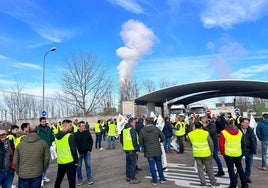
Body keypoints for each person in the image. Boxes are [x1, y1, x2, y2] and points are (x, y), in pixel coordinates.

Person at [188, 121, 220, 188]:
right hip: (206, 153)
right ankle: (213, 183)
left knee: (200, 169)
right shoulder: (205, 133)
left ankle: (203, 183)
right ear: (201, 126)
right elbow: (211, 143)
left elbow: (191, 144)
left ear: (194, 127)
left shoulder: (190, 134)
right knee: (209, 169)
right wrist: (212, 151)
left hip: (197, 153)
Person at [219, 119, 248, 188]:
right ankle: (244, 184)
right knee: (240, 169)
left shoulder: (223, 132)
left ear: (226, 125)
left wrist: (223, 153)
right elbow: (242, 143)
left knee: (231, 170)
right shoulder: (239, 132)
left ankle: (233, 185)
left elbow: (221, 145)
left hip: (228, 154)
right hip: (238, 153)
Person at [139, 117, 166, 186]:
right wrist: (160, 142)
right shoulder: (157, 129)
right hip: (157, 149)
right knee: (159, 164)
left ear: (146, 122)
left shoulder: (142, 130)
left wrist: (144, 145)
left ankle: (155, 180)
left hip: (148, 150)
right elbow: (163, 138)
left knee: (152, 166)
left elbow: (140, 141)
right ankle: (162, 178)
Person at [54, 119, 79, 188]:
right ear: (65, 125)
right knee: (71, 181)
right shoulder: (70, 136)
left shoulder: (56, 136)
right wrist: (76, 161)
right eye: (70, 125)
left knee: (58, 179)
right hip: (70, 161)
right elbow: (73, 150)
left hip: (61, 161)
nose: (71, 126)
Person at [121, 118, 140, 184]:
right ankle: (132, 178)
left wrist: (124, 146)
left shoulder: (124, 130)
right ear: (131, 123)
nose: (135, 123)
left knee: (128, 164)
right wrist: (137, 149)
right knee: (133, 164)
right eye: (134, 122)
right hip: (132, 149)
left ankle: (128, 176)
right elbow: (134, 140)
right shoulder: (132, 130)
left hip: (126, 149)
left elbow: (121, 140)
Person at [74, 121, 94, 186]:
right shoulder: (75, 134)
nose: (84, 127)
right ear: (79, 127)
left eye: (84, 126)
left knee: (88, 166)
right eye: (82, 126)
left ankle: (89, 179)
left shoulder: (87, 133)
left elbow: (91, 141)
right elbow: (74, 144)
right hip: (79, 154)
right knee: (78, 167)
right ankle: (79, 180)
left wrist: (89, 149)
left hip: (87, 153)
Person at [238, 118, 257, 183]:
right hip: (240, 150)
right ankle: (235, 178)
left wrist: (254, 147)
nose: (247, 125)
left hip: (249, 150)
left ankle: (246, 177)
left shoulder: (250, 129)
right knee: (238, 164)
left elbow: (254, 139)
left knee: (249, 164)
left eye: (248, 123)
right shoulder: (237, 129)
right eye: (246, 123)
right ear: (242, 123)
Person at [37, 117, 54, 186]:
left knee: (47, 163)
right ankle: (40, 178)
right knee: (41, 164)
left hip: (48, 147)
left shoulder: (48, 128)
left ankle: (44, 176)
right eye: (42, 122)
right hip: (40, 148)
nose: (44, 123)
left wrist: (52, 141)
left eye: (45, 121)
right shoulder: (38, 129)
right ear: (40, 122)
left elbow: (51, 136)